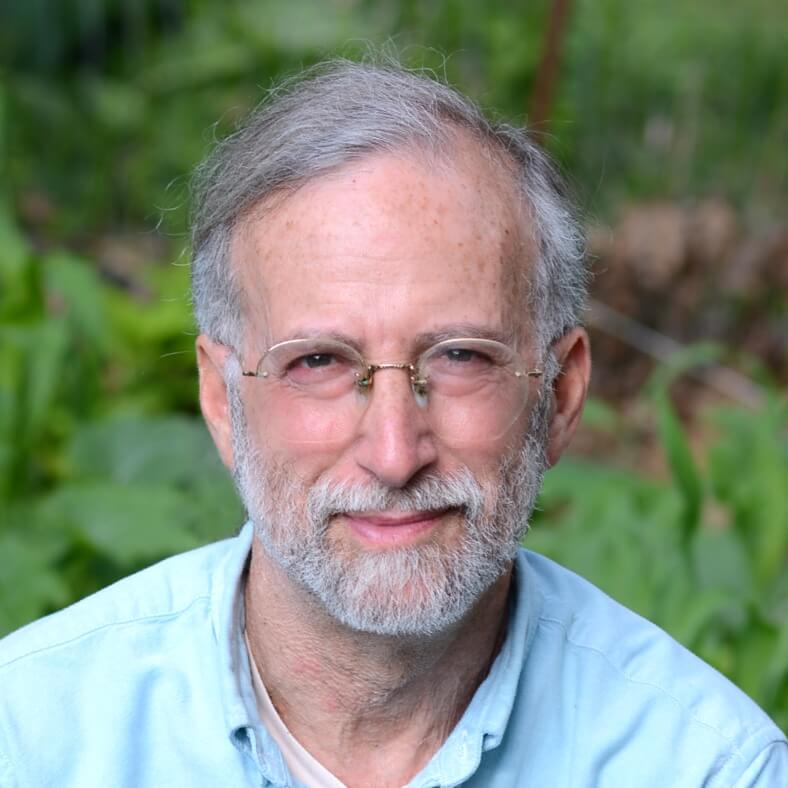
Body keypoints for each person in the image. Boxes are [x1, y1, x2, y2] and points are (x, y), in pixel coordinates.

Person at [0, 59, 785, 788]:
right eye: (318, 363)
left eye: (460, 357)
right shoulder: (33, 736)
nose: (393, 453)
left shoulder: (709, 767)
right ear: (221, 398)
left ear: (561, 392)